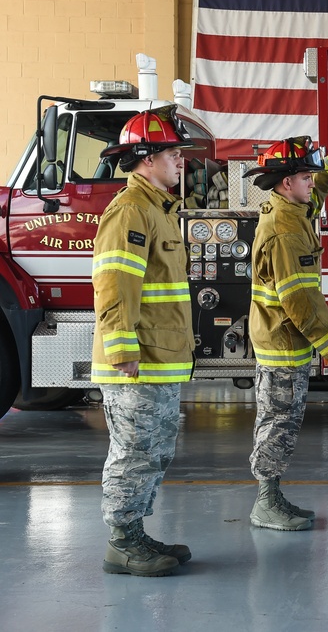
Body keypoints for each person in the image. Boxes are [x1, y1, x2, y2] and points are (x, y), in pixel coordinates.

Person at [92, 106, 199, 577]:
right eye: (173, 153)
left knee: (154, 451)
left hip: (161, 358)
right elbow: (115, 282)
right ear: (145, 159)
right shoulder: (132, 210)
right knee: (134, 452)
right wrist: (120, 347)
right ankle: (121, 543)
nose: (181, 162)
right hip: (139, 360)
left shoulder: (157, 210)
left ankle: (134, 532)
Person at [243, 136, 328, 531]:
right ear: (286, 181)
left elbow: (320, 187)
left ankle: (272, 496)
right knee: (278, 422)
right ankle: (265, 502)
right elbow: (301, 300)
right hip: (282, 341)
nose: (312, 181)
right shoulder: (285, 229)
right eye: (305, 175)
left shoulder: (292, 209)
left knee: (281, 420)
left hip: (282, 338)